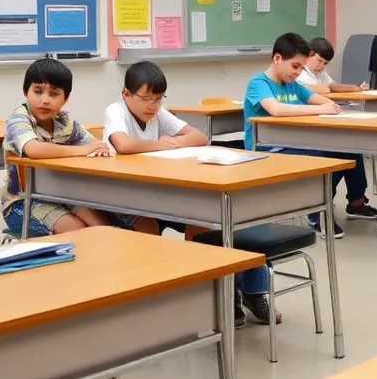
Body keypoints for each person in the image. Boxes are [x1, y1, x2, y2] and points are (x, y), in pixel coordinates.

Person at [103, 60, 277, 326]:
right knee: (148, 229)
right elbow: (123, 145)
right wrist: (162, 144)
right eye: (146, 98)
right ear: (126, 94)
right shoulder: (116, 111)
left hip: (161, 193)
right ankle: (155, 294)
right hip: (125, 198)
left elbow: (198, 137)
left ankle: (216, 292)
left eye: (159, 99)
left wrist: (173, 142)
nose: (153, 105)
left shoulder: (157, 113)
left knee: (205, 223)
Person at [245, 33, 377, 239]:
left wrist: (331, 106)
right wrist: (320, 109)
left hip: (295, 142)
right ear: (277, 59)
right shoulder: (259, 83)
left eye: (301, 68)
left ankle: (355, 202)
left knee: (348, 150)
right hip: (268, 149)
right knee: (318, 155)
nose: (298, 72)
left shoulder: (293, 84)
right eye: (295, 66)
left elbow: (320, 100)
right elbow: (276, 109)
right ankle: (316, 213)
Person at [1, 58, 156, 237]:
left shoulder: (64, 121)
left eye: (54, 94)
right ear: (25, 92)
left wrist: (99, 149)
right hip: (24, 203)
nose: (45, 100)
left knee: (139, 224)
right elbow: (34, 149)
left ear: (65, 99)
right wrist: (80, 150)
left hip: (67, 195)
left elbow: (95, 145)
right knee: (81, 232)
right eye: (38, 91)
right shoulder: (19, 120)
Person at [297, 37, 368, 94]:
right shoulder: (299, 72)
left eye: (325, 63)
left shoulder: (320, 72)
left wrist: (357, 88)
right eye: (319, 60)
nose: (322, 66)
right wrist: (329, 87)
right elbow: (324, 89)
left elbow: (334, 85)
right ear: (310, 54)